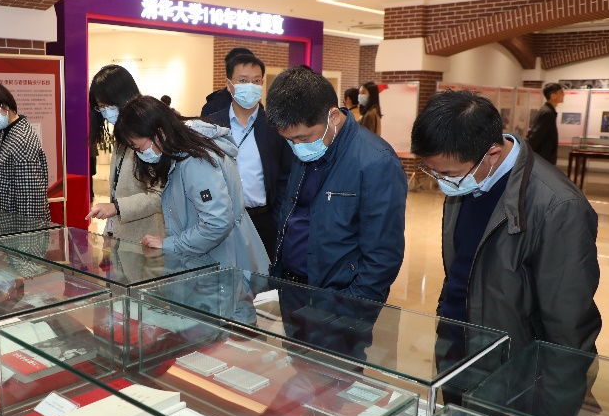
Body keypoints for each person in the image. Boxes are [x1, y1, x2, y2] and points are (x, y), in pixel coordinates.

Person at [411, 89, 601, 353]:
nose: (442, 181)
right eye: (433, 171)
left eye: (447, 173)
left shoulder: (559, 207)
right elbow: (460, 268)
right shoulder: (465, 180)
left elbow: (568, 326)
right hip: (455, 346)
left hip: (512, 362)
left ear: (492, 154)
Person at [265, 66, 407, 304]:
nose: (297, 146)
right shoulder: (307, 148)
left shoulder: (376, 161)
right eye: (289, 140)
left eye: (303, 138)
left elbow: (383, 256)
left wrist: (349, 307)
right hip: (291, 289)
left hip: (339, 301)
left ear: (332, 117)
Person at [113, 95, 269, 274]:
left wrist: (171, 244)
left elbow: (216, 223)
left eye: (138, 147)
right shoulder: (183, 152)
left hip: (221, 264)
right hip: (210, 259)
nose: (138, 153)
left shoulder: (195, 161)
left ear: (159, 133)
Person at [206, 53, 292, 259]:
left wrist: (277, 218)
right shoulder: (210, 126)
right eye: (243, 81)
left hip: (264, 221)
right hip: (222, 223)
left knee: (263, 278)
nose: (250, 86)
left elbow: (286, 176)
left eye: (256, 81)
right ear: (229, 85)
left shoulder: (275, 127)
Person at [85, 65, 165, 241]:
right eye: (100, 107)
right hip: (121, 236)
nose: (105, 112)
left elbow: (160, 194)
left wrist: (117, 207)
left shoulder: (149, 133)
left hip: (146, 236)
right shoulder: (121, 133)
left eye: (108, 105)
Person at [0, 80, 50, 221]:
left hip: (19, 230)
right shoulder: (6, 132)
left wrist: (26, 234)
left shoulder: (22, 141)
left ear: (5, 104)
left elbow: (30, 204)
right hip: (5, 225)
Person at [200, 47, 255, 117]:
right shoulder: (213, 107)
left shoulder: (257, 106)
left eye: (256, 80)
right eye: (243, 80)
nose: (249, 84)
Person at [527, 82, 563, 165]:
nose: (563, 95)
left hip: (544, 158)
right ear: (553, 96)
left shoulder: (548, 111)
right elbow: (536, 137)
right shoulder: (547, 113)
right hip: (543, 158)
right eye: (561, 92)